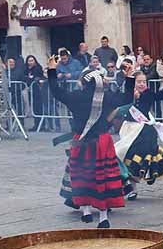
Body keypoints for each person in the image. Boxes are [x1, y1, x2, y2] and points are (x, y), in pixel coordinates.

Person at [47, 58, 131, 227]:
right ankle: (103, 217)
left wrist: (52, 71)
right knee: (103, 178)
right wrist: (129, 78)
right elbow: (127, 98)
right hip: (102, 142)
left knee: (82, 175)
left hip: (81, 140)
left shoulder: (76, 97)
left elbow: (56, 91)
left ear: (84, 83)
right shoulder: (107, 97)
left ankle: (85, 211)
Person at [113, 72, 163, 199]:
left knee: (138, 157)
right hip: (129, 129)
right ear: (133, 83)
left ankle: (146, 176)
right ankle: (131, 188)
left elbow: (161, 96)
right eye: (139, 82)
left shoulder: (148, 94)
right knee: (122, 155)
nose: (142, 84)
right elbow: (122, 106)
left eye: (144, 82)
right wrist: (133, 98)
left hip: (143, 129)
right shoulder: (128, 95)